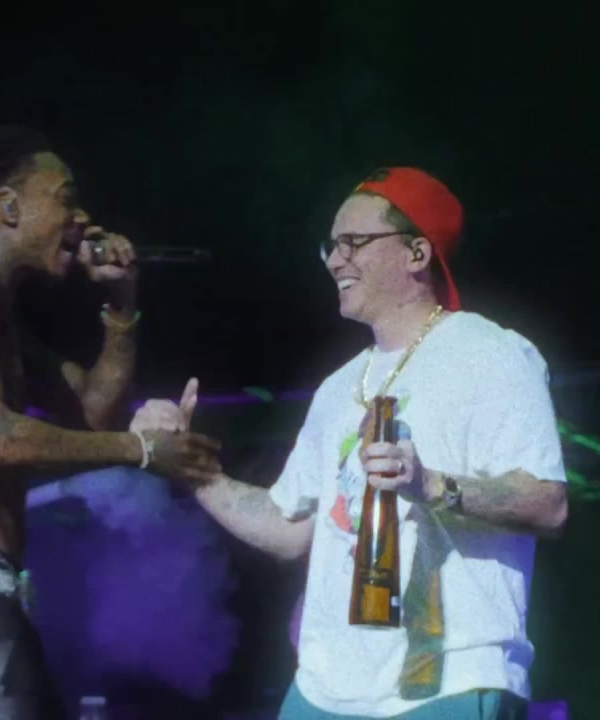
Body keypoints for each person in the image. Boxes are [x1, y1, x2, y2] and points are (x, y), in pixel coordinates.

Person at [134, 167, 568, 719]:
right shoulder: (337, 389)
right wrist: (188, 468)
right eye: (330, 246)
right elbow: (288, 528)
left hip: (447, 679)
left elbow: (548, 503)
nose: (335, 260)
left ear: (416, 253)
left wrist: (430, 483)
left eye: (353, 242)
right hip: (324, 689)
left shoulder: (492, 354)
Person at [0, 125, 222, 719]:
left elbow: (94, 413)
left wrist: (121, 305)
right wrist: (141, 450)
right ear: (7, 205)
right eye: (66, 198)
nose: (82, 218)